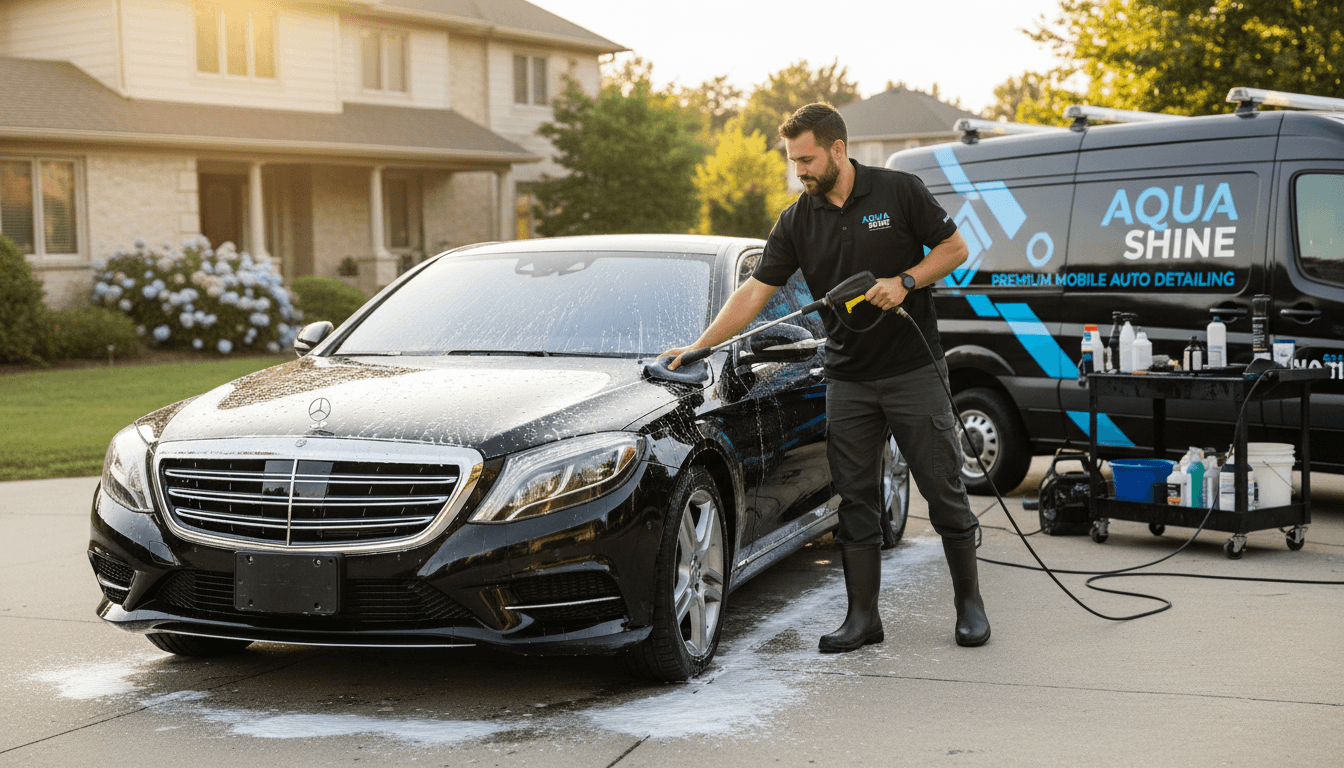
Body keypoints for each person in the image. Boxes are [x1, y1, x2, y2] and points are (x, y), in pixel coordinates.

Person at [662, 102, 990, 653]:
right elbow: (755, 292)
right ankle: (863, 620)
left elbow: (955, 248)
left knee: (944, 491)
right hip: (849, 380)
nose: (800, 172)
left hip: (914, 372)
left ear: (838, 149)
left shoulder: (899, 191)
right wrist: (700, 347)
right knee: (855, 502)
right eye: (793, 162)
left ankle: (970, 608)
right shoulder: (797, 219)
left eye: (808, 160)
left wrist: (906, 280)